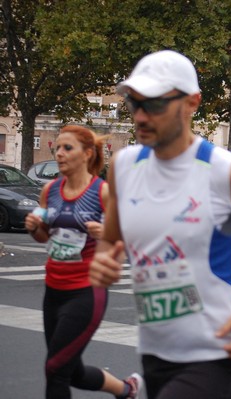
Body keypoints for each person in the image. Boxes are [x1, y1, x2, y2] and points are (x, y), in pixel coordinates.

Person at [88, 50, 231, 399]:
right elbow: (112, 235)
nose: (140, 115)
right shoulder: (123, 165)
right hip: (155, 347)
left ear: (191, 103)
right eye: (134, 103)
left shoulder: (226, 171)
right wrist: (104, 258)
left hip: (218, 348)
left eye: (154, 104)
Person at [24, 125, 142, 399]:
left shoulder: (103, 192)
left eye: (68, 148)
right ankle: (126, 389)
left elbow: (127, 236)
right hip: (53, 291)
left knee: (55, 368)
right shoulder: (50, 191)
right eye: (57, 147)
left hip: (86, 293)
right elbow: (44, 238)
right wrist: (34, 227)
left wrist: (108, 234)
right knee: (70, 370)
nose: (59, 153)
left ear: (88, 154)